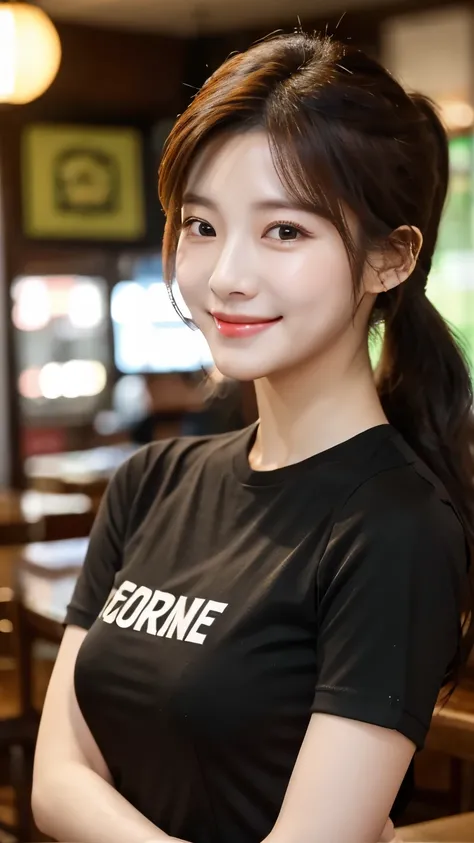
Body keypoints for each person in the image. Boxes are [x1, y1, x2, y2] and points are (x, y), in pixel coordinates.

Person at [32, 30, 474, 843]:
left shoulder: (395, 530)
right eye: (201, 226)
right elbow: (54, 782)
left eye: (285, 231)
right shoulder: (151, 480)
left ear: (390, 258)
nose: (226, 274)